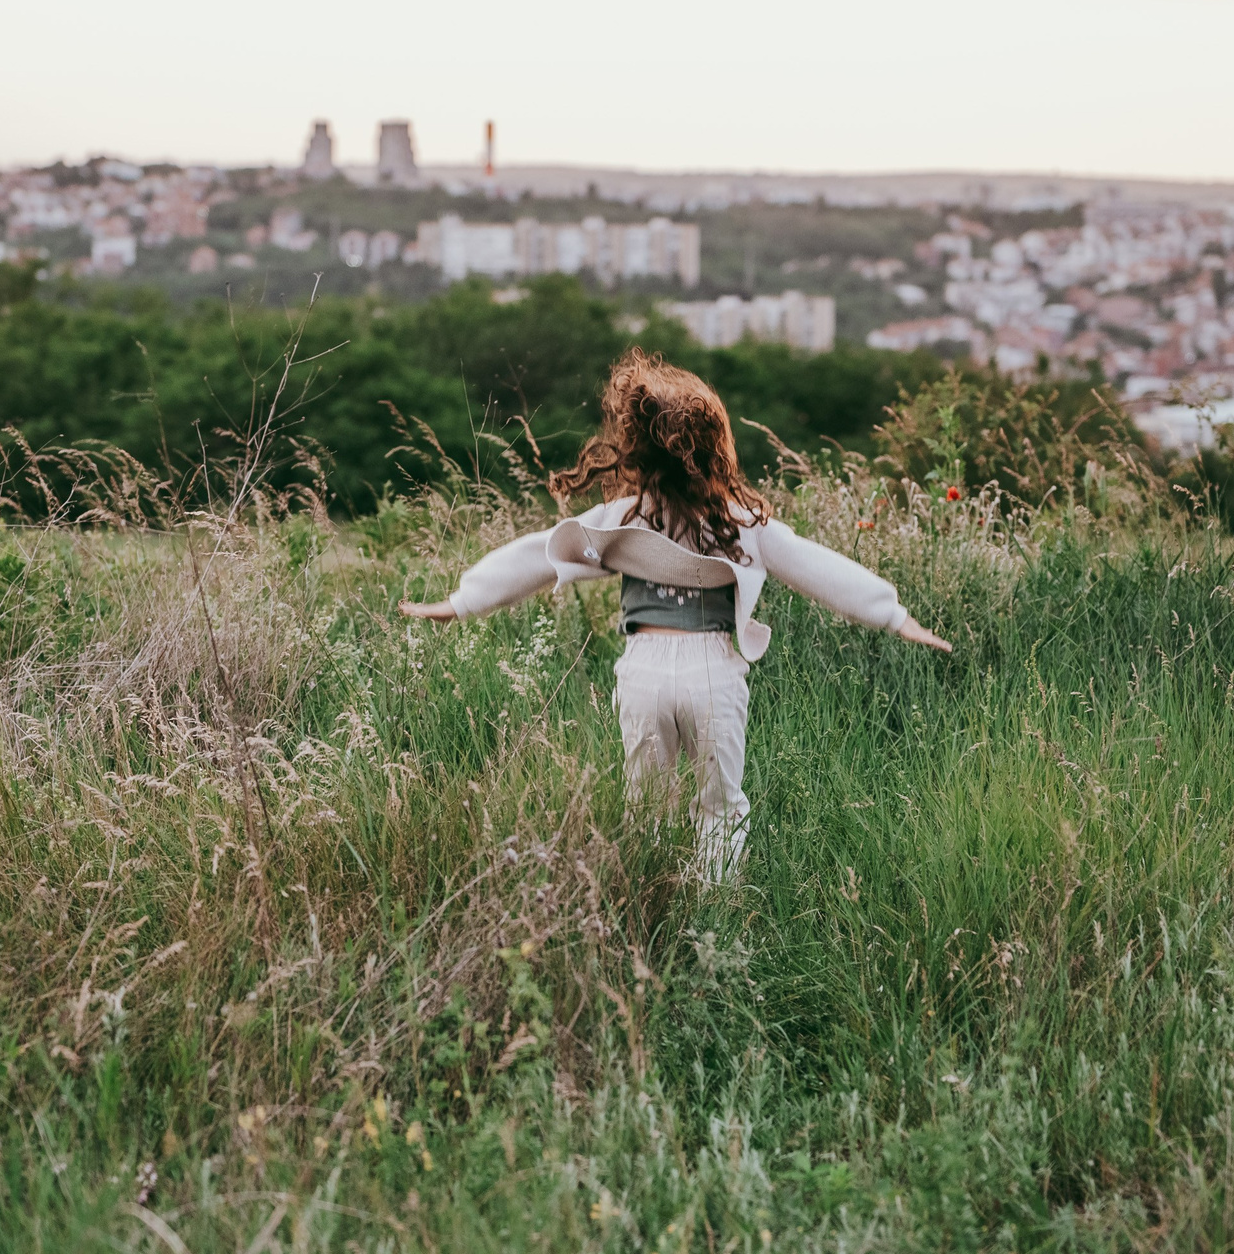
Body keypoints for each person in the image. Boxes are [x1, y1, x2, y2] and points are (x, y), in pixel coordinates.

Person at [400, 349, 949, 877]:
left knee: (647, 814)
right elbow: (819, 569)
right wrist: (893, 614)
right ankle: (712, 918)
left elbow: (538, 554)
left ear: (636, 446)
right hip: (711, 669)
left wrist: (461, 602)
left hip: (642, 670)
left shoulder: (623, 515)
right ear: (714, 447)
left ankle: (654, 911)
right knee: (719, 809)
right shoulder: (739, 522)